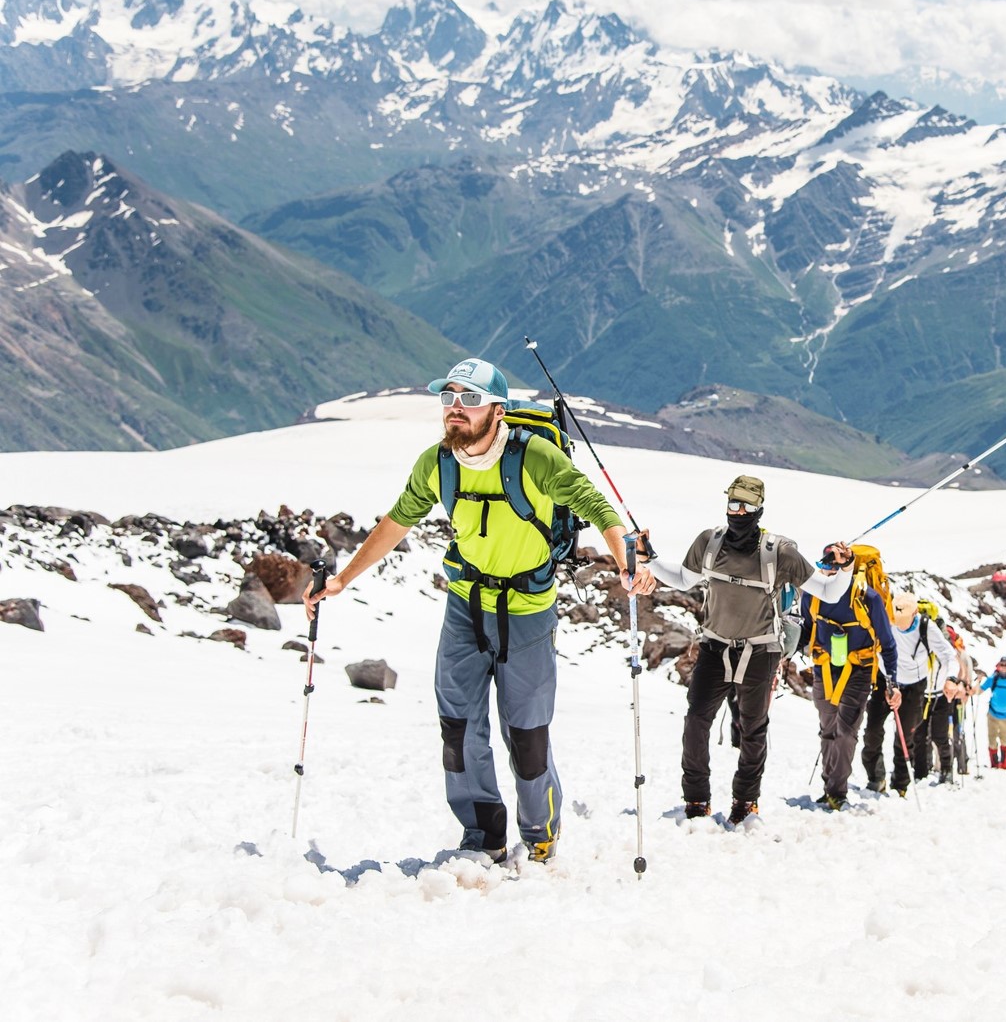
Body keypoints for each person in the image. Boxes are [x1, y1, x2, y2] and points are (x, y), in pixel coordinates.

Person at [303, 357, 655, 865]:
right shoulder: (437, 463)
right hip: (465, 604)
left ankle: (539, 836)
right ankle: (483, 834)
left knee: (527, 734)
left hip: (528, 612)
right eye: (448, 399)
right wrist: (341, 580)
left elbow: (597, 508)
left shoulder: (534, 457)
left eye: (469, 400)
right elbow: (396, 522)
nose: (455, 410)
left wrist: (627, 562)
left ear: (497, 408)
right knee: (458, 726)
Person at [639, 475, 854, 826]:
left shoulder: (780, 553)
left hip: (760, 651)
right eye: (733, 504)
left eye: (746, 506)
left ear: (759, 509)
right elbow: (683, 579)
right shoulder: (709, 542)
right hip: (713, 645)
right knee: (696, 720)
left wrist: (846, 569)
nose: (737, 512)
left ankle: (745, 801)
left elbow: (828, 592)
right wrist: (650, 560)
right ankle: (696, 799)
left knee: (752, 727)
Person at [800, 547, 899, 811]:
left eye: (837, 565)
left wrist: (893, 681)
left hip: (859, 669)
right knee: (828, 728)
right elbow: (806, 629)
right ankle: (831, 787)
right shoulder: (812, 594)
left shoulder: (869, 598)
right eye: (826, 564)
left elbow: (887, 644)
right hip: (824, 667)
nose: (829, 569)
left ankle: (836, 791)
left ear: (849, 568)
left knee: (846, 732)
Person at [861, 593, 963, 795]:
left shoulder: (926, 628)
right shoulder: (886, 619)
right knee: (872, 731)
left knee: (905, 736)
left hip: (914, 686)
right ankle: (876, 778)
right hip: (886, 680)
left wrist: (951, 680)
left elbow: (948, 655)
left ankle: (900, 785)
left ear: (915, 614)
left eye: (903, 622)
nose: (898, 625)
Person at [912, 619, 974, 781]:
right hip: (926, 694)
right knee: (921, 734)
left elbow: (960, 672)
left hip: (942, 695)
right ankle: (922, 771)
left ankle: (946, 770)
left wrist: (959, 686)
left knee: (939, 735)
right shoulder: (923, 646)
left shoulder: (949, 652)